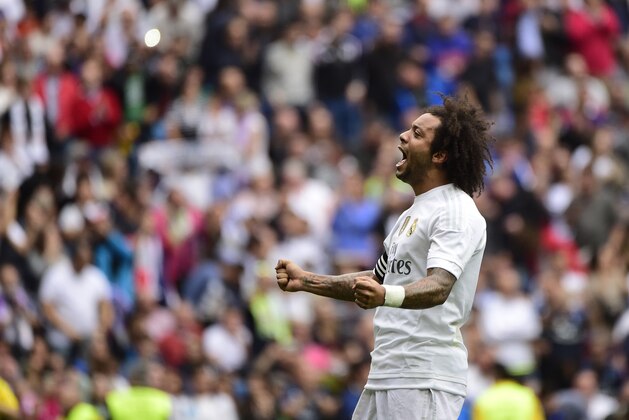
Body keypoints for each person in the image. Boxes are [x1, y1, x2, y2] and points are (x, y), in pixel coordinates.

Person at [275, 95, 493, 419]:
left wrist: (385, 295)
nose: (403, 136)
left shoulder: (456, 211)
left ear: (440, 155)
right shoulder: (411, 214)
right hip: (387, 371)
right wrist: (307, 280)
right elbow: (375, 280)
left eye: (418, 134)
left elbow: (440, 285)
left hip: (423, 375)